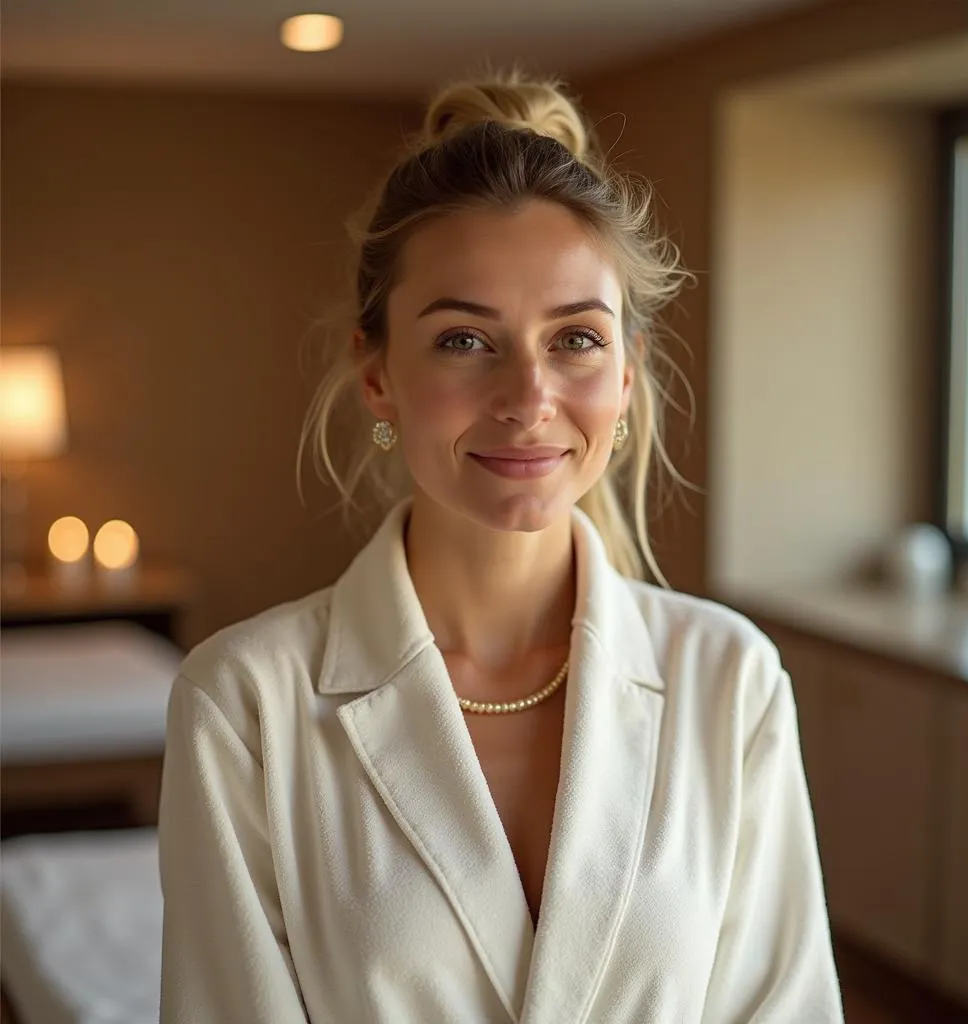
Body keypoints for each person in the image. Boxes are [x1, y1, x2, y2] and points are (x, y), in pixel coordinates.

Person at [158, 70, 844, 1023]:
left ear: (630, 373)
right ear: (377, 374)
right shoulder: (243, 706)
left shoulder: (730, 683)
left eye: (576, 339)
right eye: (465, 342)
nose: (528, 399)